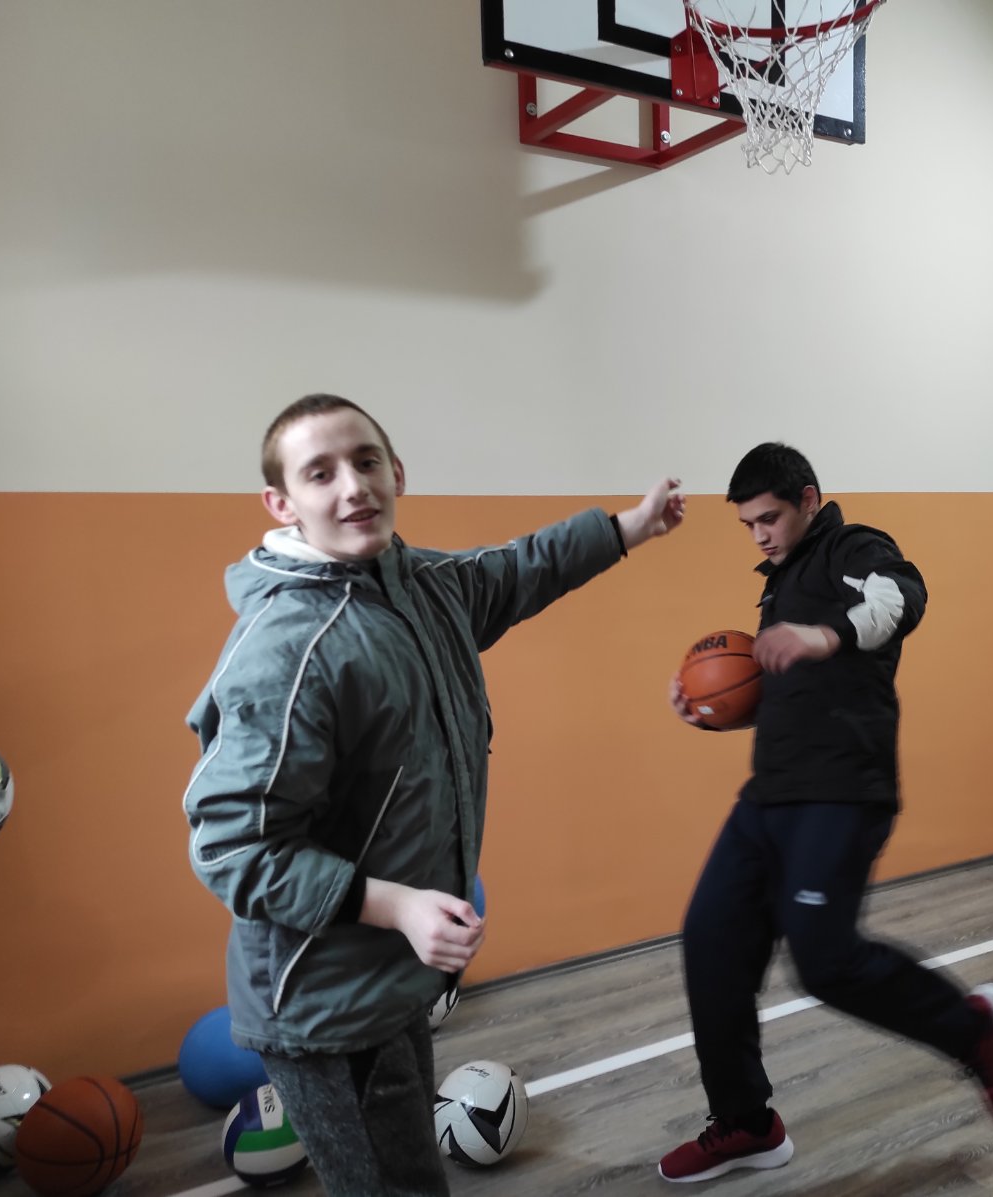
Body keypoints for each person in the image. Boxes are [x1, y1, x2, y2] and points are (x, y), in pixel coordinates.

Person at [182, 393, 685, 1196]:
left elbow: (522, 567)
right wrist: (398, 906)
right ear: (282, 503)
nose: (353, 486)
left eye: (365, 461)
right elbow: (232, 848)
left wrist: (631, 526)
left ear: (397, 472)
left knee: (409, 1168)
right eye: (321, 473)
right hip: (324, 1001)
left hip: (393, 975)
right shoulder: (288, 646)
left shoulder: (420, 587)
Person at [658, 442, 993, 1184]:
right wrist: (715, 708)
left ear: (808, 499)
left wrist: (826, 633)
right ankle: (746, 1122)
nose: (759, 535)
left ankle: (972, 1029)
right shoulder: (781, 581)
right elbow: (792, 694)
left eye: (769, 518)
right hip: (768, 797)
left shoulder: (852, 548)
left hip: (842, 791)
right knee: (711, 940)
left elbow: (902, 597)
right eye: (748, 525)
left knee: (825, 963)